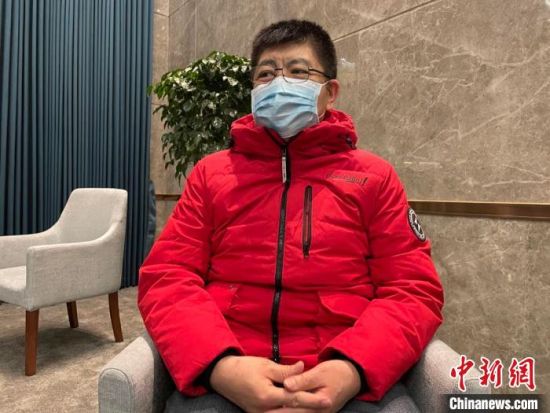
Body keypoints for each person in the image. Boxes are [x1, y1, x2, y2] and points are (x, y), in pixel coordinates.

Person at [138, 19, 444, 413]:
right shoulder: (210, 175)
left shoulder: (375, 178)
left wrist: (352, 369)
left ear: (330, 92)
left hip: (345, 374)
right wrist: (220, 366)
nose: (279, 83)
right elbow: (167, 276)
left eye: (298, 71)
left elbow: (412, 289)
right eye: (266, 74)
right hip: (230, 370)